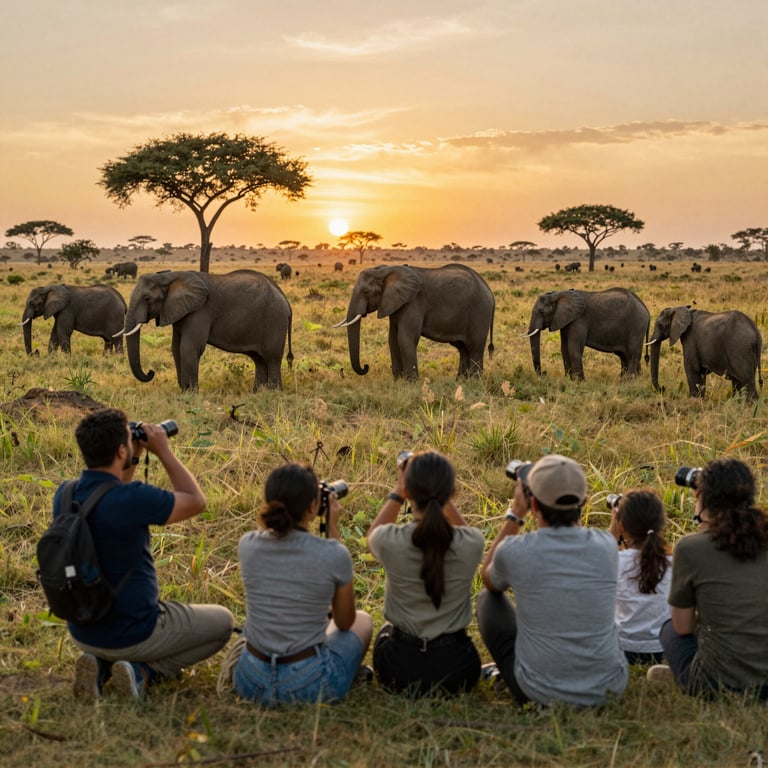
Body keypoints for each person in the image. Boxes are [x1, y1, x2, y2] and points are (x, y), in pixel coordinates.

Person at [59, 408, 234, 701]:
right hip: (135, 632)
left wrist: (133, 455)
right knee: (224, 622)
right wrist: (163, 450)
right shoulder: (135, 499)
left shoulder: (65, 494)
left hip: (82, 630)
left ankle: (101, 667)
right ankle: (143, 673)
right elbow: (196, 501)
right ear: (119, 451)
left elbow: (111, 493)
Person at [477, 454, 628, 707]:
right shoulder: (606, 546)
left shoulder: (515, 550)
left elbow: (488, 578)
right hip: (609, 687)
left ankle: (510, 671)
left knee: (487, 601)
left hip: (539, 691)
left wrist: (515, 514)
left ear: (533, 505)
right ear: (584, 501)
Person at [232, 463, 373, 706]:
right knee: (363, 621)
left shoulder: (248, 545)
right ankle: (345, 675)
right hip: (309, 683)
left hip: (250, 680)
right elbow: (344, 622)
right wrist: (332, 529)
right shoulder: (332, 554)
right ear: (312, 507)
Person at [366, 451, 484, 697]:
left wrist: (399, 489)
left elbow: (372, 536)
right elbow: (464, 532)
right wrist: (441, 494)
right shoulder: (471, 544)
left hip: (397, 670)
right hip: (458, 670)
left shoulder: (390, 541)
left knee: (384, 631)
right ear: (452, 493)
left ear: (409, 492)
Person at [654, 458, 768, 699]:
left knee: (669, 630)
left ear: (703, 499)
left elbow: (682, 626)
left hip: (715, 684)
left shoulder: (690, 549)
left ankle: (685, 675)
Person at [608, 490, 671, 665]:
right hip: (662, 648)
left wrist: (614, 527)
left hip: (622, 648)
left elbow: (607, 554)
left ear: (622, 526)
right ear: (661, 525)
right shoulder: (673, 563)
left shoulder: (614, 562)